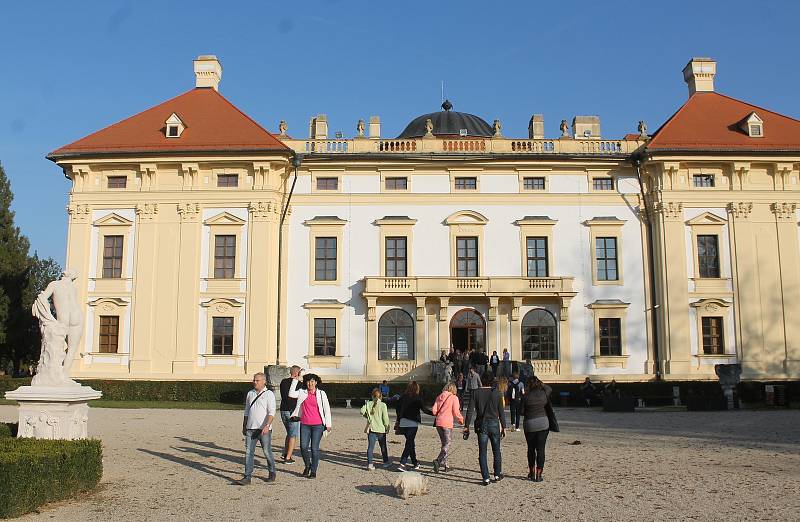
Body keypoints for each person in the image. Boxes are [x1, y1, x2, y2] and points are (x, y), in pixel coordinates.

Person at [464, 371, 506, 486]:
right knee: (496, 450)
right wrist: (504, 426)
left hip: (481, 423)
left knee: (482, 451)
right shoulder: (497, 393)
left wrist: (466, 426)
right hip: (493, 423)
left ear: (482, 380)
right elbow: (501, 412)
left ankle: (486, 477)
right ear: (492, 381)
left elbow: (470, 410)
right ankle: (497, 474)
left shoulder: (476, 393)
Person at [290, 373, 332, 478]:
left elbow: (326, 409)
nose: (310, 383)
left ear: (316, 382)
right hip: (305, 423)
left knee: (314, 448)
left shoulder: (321, 394)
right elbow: (291, 394)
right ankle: (307, 466)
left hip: (318, 424)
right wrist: (295, 380)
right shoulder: (302, 392)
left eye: (312, 381)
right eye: (308, 381)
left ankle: (313, 471)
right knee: (303, 447)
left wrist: (328, 424)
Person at [237, 372, 276, 485]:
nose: (255, 382)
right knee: (249, 452)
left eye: (257, 380)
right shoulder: (250, 393)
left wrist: (267, 425)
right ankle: (247, 476)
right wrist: (244, 425)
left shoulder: (269, 394)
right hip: (251, 428)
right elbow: (247, 411)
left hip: (264, 429)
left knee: (266, 451)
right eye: (254, 380)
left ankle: (272, 471)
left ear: (264, 381)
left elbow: (271, 412)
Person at [394, 381, 432, 471]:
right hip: (412, 423)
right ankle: (402, 463)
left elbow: (397, 409)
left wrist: (399, 419)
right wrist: (435, 413)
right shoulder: (417, 398)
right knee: (409, 443)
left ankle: (415, 462)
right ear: (417, 389)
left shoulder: (403, 397)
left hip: (403, 422)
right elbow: (425, 410)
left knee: (410, 443)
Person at [522, 376, 552, 482]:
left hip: (529, 424)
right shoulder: (544, 394)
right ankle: (539, 474)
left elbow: (521, 411)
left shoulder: (526, 396)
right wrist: (541, 384)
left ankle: (532, 471)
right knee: (541, 449)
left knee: (531, 449)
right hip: (543, 423)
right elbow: (549, 389)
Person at [431, 382, 464, 473]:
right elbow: (456, 412)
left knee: (444, 444)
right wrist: (461, 419)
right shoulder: (454, 398)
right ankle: (438, 460)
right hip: (447, 423)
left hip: (438, 423)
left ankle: (446, 465)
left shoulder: (439, 396)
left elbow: (434, 411)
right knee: (447, 443)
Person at [361, 388, 391, 470]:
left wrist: (367, 416)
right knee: (383, 446)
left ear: (372, 396)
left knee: (370, 447)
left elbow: (362, 411)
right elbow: (385, 418)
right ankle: (385, 462)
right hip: (381, 429)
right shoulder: (383, 405)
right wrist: (387, 426)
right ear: (381, 396)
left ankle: (370, 464)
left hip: (372, 428)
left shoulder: (368, 404)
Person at [279, 365, 302, 463]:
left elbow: (284, 396)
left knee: (289, 433)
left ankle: (285, 452)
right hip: (293, 411)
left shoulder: (283, 382)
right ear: (298, 373)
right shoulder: (299, 384)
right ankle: (288, 457)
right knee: (293, 435)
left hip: (283, 409)